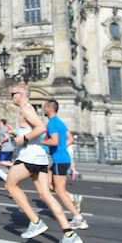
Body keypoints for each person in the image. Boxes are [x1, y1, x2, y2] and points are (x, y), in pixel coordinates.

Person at [5, 82, 82, 243]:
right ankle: (69, 234)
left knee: (10, 186)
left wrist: (24, 139)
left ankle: (35, 222)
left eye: (12, 93)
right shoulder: (29, 109)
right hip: (39, 157)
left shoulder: (25, 109)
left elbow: (40, 128)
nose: (11, 96)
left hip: (29, 156)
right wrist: (17, 133)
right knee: (45, 194)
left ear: (21, 94)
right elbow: (34, 128)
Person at [42, 99, 88, 230]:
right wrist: (62, 147)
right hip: (62, 158)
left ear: (50, 108)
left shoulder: (52, 123)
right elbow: (71, 139)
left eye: (45, 107)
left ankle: (79, 218)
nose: (43, 109)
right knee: (48, 185)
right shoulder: (60, 122)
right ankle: (73, 198)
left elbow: (54, 141)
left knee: (59, 191)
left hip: (59, 160)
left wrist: (41, 143)